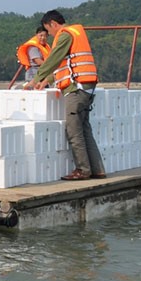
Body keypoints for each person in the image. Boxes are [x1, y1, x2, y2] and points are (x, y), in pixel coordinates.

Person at [29, 10, 105, 180]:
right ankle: (98, 169)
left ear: (53, 24)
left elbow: (53, 59)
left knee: (74, 130)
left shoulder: (64, 36)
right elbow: (64, 65)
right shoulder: (77, 33)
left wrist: (36, 79)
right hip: (87, 86)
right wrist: (46, 80)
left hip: (76, 89)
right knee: (85, 129)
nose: (49, 34)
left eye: (48, 30)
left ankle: (83, 170)